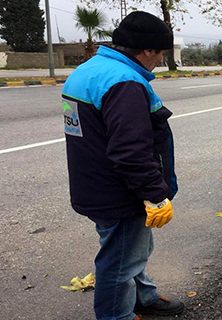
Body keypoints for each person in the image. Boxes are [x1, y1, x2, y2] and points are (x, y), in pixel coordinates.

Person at [62, 11, 183, 320]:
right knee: (120, 262)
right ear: (147, 51)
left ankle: (143, 296)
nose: (159, 60)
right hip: (119, 192)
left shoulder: (89, 70)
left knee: (128, 249)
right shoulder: (124, 83)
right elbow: (131, 152)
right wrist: (155, 194)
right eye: (160, 54)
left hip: (93, 183)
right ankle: (116, 315)